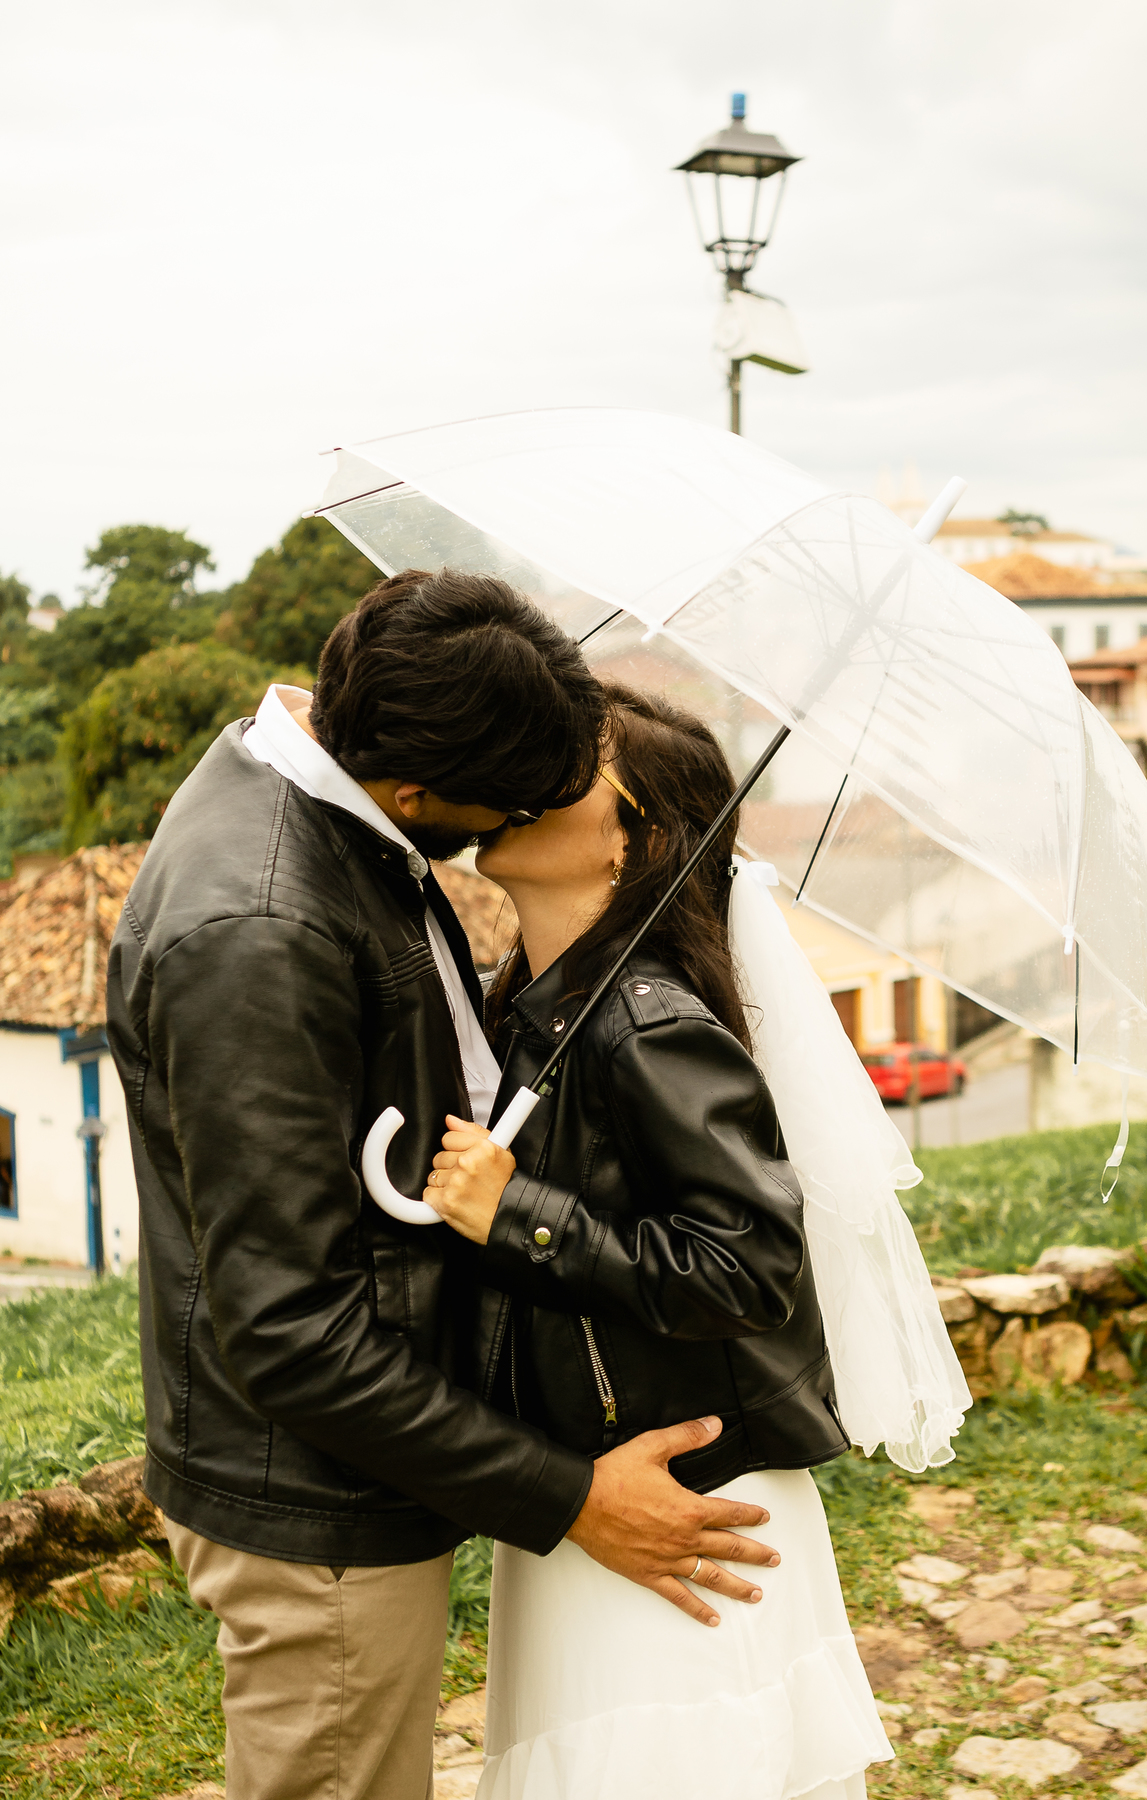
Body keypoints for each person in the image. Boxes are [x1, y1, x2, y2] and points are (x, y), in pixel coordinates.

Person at [106, 576, 781, 1800]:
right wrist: (570, 1498)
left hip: (371, 1459)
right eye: (506, 808)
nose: (520, 820)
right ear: (415, 791)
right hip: (316, 1491)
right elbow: (289, 1331)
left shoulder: (347, 809)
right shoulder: (263, 926)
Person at [423, 685, 903, 1800]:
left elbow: (749, 1265)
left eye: (570, 768)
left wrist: (519, 1214)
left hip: (690, 1506)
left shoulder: (647, 1023)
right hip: (602, 1489)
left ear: (632, 839)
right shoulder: (530, 1010)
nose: (530, 779)